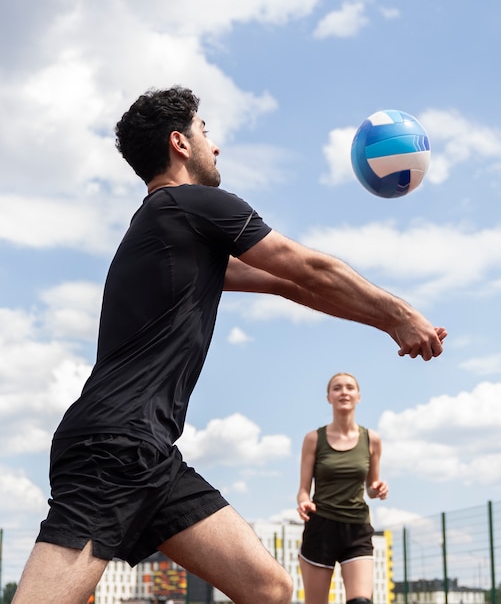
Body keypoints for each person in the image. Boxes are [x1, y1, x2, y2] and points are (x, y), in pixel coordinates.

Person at [13, 86, 446, 604]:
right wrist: (400, 314)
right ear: (179, 142)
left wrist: (386, 325)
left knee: (267, 587)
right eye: (205, 131)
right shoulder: (189, 205)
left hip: (151, 454)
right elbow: (310, 266)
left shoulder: (171, 229)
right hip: (111, 447)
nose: (213, 146)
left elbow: (290, 282)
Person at [297, 372, 388, 604]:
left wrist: (376, 488)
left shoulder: (372, 439)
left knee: (361, 602)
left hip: (357, 528)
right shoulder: (313, 439)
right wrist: (303, 502)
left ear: (358, 396)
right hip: (321, 528)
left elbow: (370, 487)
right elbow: (303, 490)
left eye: (349, 387)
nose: (344, 392)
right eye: (337, 388)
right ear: (329, 397)